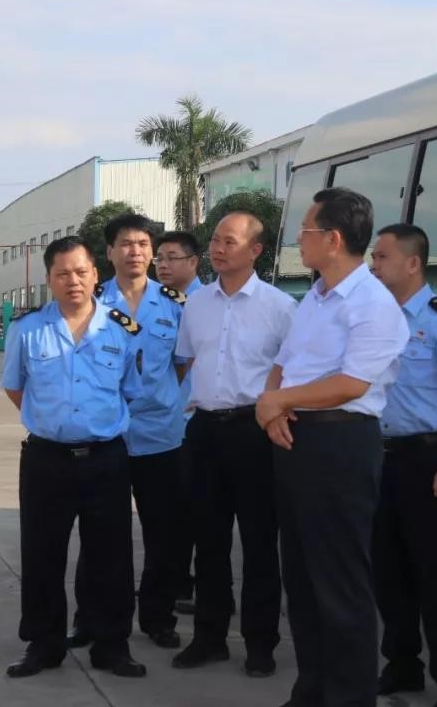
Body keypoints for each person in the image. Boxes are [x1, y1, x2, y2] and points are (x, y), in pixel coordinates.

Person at [257, 187, 409, 707]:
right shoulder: (316, 298)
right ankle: (312, 691)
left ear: (334, 239)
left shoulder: (373, 304)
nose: (298, 241)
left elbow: (351, 384)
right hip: (297, 438)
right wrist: (274, 406)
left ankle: (349, 697)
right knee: (301, 579)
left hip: (341, 443)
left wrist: (277, 401)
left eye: (305, 231)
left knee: (340, 582)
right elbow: (284, 362)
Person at [1, 236, 146, 679]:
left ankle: (111, 645)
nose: (73, 281)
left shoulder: (121, 328)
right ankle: (44, 645)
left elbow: (129, 389)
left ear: (95, 274)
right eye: (62, 273)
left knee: (111, 556)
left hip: (106, 458)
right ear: (49, 279)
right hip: (47, 460)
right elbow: (15, 387)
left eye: (81, 271)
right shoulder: (28, 330)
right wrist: (54, 420)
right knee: (42, 554)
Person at [172, 212, 295, 677]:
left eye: (230, 241)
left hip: (255, 433)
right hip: (205, 431)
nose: (218, 248)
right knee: (208, 541)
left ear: (255, 250)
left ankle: (261, 644)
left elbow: (296, 371)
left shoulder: (280, 307)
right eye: (215, 240)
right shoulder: (196, 304)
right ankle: (209, 637)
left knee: (260, 543)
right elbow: (188, 360)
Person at [368, 223, 437, 707]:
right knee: (388, 570)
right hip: (380, 457)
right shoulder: (377, 316)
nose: (373, 265)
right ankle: (402, 665)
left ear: (412, 263)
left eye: (382, 257)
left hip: (427, 458)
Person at [71, 213, 188, 650]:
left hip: (161, 435)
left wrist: (159, 397)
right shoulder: (92, 301)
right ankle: (90, 619)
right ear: (109, 252)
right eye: (125, 243)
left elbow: (182, 363)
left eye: (142, 244)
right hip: (107, 437)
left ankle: (158, 617)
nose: (134, 251)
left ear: (151, 252)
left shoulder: (175, 304)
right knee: (100, 534)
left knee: (164, 534)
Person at [154, 230, 204, 615]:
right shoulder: (156, 302)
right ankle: (175, 582)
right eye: (160, 258)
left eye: (172, 257)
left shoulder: (208, 303)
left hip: (200, 421)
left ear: (193, 262)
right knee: (172, 510)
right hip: (168, 426)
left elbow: (187, 363)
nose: (163, 265)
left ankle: (193, 585)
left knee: (198, 510)